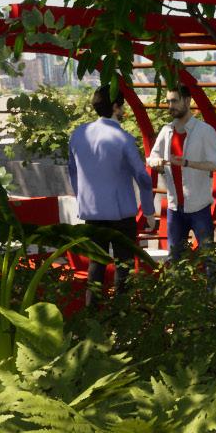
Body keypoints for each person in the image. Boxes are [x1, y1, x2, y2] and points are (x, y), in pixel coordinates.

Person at [67, 86, 155, 304]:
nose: (123, 110)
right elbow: (142, 177)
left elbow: (73, 172)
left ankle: (92, 314)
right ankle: (120, 314)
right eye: (121, 106)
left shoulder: (78, 135)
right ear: (116, 107)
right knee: (124, 267)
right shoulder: (123, 138)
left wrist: (83, 199)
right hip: (121, 213)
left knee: (95, 266)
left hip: (92, 213)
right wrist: (149, 211)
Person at [146, 84, 216, 266]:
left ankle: (212, 286)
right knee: (174, 260)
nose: (170, 106)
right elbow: (152, 157)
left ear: (188, 101)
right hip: (174, 207)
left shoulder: (205, 131)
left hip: (199, 207)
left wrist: (188, 163)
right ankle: (178, 286)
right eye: (168, 102)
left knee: (209, 260)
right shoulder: (166, 130)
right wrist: (156, 162)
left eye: (174, 101)